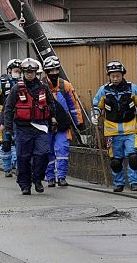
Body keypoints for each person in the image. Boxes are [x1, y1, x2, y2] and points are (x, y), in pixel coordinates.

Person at [3, 58, 70, 195]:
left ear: (36, 73)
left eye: (32, 72)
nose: (29, 74)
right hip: (22, 128)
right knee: (23, 157)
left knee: (43, 153)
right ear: (23, 73)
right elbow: (8, 108)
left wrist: (53, 118)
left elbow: (51, 104)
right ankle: (25, 185)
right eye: (27, 72)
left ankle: (38, 179)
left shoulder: (43, 87)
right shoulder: (17, 89)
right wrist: (8, 127)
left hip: (41, 127)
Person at [91, 61, 137, 192]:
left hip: (130, 130)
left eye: (118, 76)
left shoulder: (132, 89)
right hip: (112, 132)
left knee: (133, 157)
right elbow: (96, 106)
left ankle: (134, 182)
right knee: (115, 161)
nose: (115, 78)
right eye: (112, 76)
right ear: (109, 76)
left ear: (122, 75)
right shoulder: (104, 90)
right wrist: (95, 116)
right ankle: (118, 183)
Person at [42, 56, 83, 187]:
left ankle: (61, 176)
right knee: (47, 151)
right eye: (51, 70)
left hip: (63, 124)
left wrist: (79, 123)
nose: (54, 73)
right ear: (46, 71)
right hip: (46, 125)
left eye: (56, 70)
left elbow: (74, 105)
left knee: (62, 149)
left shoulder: (65, 86)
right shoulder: (41, 86)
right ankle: (50, 177)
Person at [0, 59, 21, 177]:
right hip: (4, 116)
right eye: (16, 70)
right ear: (9, 70)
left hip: (19, 116)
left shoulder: (23, 83)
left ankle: (18, 167)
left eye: (19, 71)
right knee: (6, 143)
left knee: (18, 142)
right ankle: (7, 168)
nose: (18, 73)